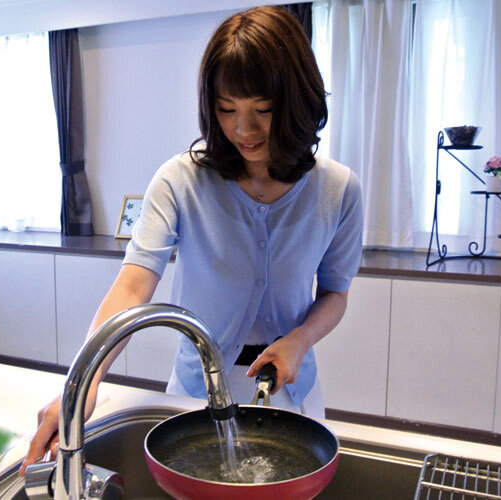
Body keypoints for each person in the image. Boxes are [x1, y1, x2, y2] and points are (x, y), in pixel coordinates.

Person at [20, 5, 363, 475]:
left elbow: (335, 294)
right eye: (227, 110)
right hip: (195, 395)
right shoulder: (180, 179)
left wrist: (300, 340)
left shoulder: (337, 189)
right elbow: (132, 288)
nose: (243, 129)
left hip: (291, 392)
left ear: (296, 102)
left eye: (263, 110)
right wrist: (82, 384)